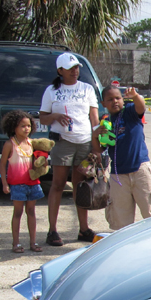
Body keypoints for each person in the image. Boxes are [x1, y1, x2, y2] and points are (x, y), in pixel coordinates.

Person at [39, 52, 99, 246]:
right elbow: (42, 118)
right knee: (57, 184)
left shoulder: (87, 88)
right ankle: (53, 231)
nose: (75, 71)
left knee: (80, 186)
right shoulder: (51, 91)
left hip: (83, 142)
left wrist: (96, 146)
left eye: (77, 67)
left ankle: (83, 229)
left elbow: (94, 119)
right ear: (60, 71)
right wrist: (55, 116)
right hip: (63, 142)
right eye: (70, 68)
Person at [92, 86, 151, 230]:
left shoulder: (130, 112)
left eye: (118, 98)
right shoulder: (106, 122)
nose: (115, 101)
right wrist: (94, 136)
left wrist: (135, 95)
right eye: (110, 99)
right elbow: (99, 149)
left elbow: (141, 106)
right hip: (118, 175)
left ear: (123, 99)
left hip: (140, 170)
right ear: (103, 104)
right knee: (120, 220)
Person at [0, 111, 44, 253]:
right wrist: (5, 183)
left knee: (31, 212)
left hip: (33, 184)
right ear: (13, 128)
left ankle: (33, 242)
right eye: (22, 126)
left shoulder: (33, 143)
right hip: (17, 185)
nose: (26, 129)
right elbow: (2, 164)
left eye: (29, 126)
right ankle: (16, 243)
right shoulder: (9, 144)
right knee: (17, 213)